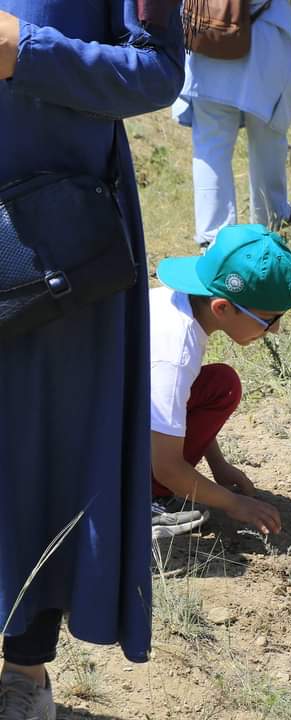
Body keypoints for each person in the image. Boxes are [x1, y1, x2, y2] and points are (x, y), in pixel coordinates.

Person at [0, 2, 183, 717]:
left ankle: (25, 672)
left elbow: (160, 73)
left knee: (43, 453)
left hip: (51, 252)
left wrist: (29, 52)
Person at [150, 224, 291, 541]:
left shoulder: (181, 306)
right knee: (219, 387)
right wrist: (233, 504)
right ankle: (140, 502)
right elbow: (167, 467)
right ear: (223, 308)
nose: (275, 330)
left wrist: (218, 463)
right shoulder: (174, 351)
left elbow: (175, 409)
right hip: (81, 449)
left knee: (220, 384)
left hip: (106, 416)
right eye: (269, 319)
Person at [172, 0, 291, 249]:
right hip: (263, 41)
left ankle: (215, 239)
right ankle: (270, 220)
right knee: (268, 136)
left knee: (210, 144)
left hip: (207, 36)